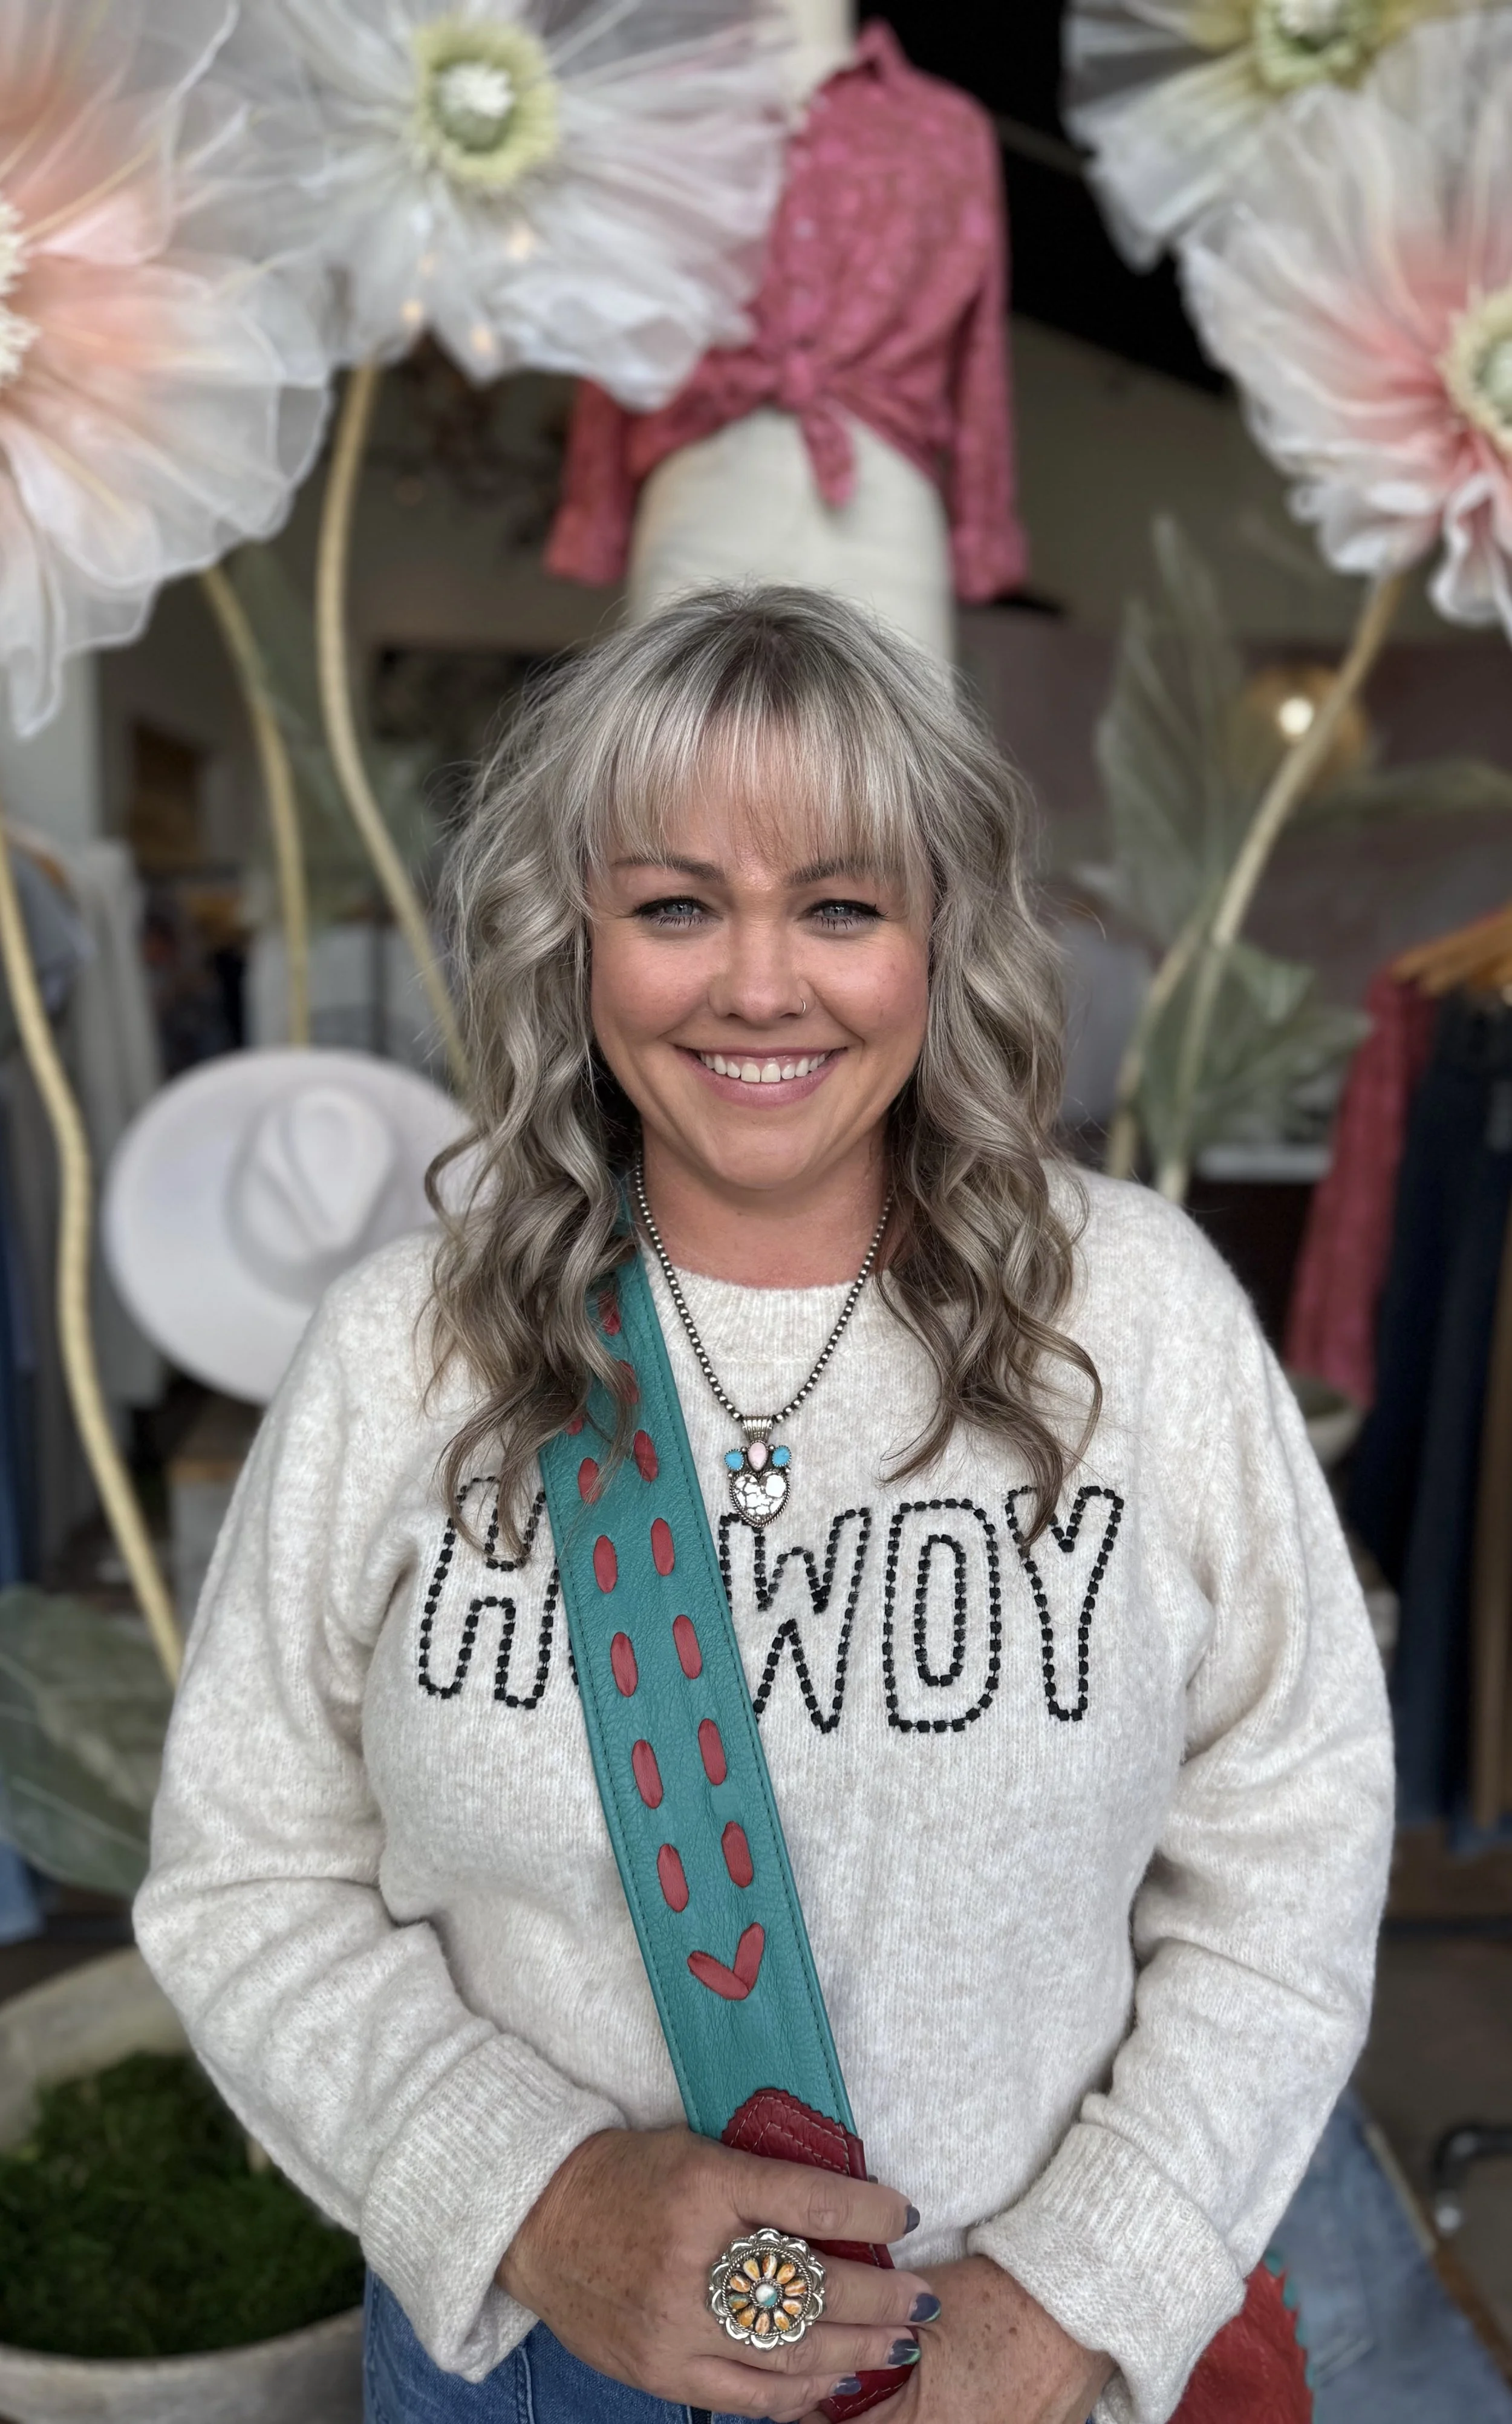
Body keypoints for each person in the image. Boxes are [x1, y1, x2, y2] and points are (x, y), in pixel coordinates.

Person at [135, 586, 1393, 2424]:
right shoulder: (408, 1351)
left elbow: (1294, 1849)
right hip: (529, 2367)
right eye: (673, 905)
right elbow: (248, 1872)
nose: (756, 983)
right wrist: (539, 2202)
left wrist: (1074, 2294)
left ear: (939, 938)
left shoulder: (1134, 1322)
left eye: (839, 905)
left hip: (1009, 2376)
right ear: (572, 941)